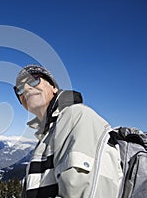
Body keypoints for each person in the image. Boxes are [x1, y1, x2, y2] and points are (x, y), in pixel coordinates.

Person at [13, 64, 123, 198]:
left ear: (54, 87)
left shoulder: (76, 116)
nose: (25, 88)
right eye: (19, 88)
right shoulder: (48, 135)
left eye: (33, 79)